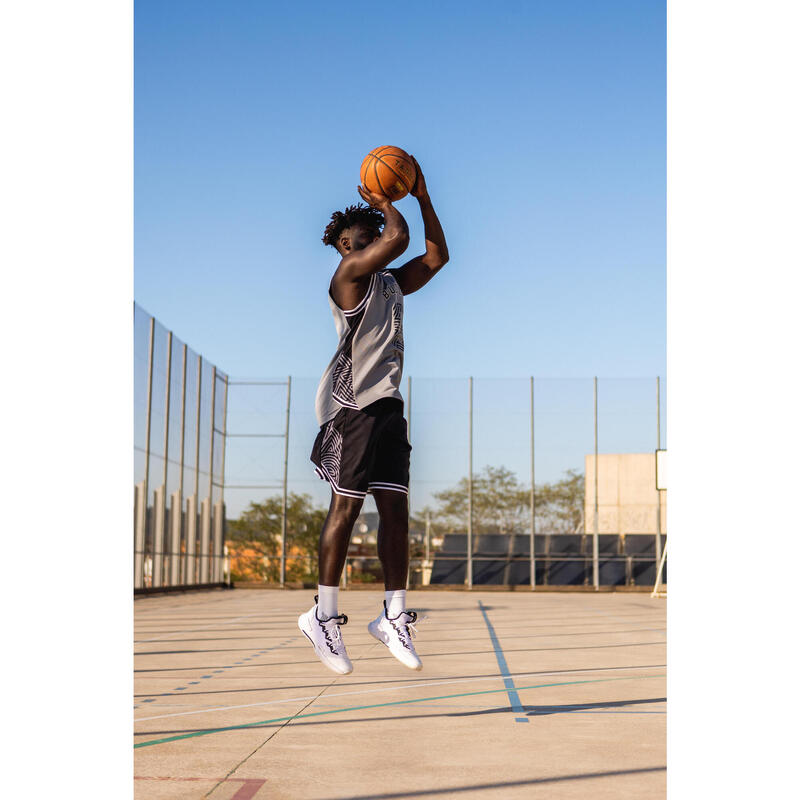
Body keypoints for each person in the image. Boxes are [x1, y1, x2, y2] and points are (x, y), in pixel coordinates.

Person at [298, 157, 449, 674]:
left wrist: (424, 196)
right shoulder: (348, 279)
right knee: (346, 509)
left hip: (388, 408)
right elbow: (401, 238)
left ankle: (393, 614)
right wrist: (388, 202)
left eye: (361, 239)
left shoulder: (389, 285)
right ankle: (322, 614)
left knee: (396, 513)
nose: (354, 248)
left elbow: (435, 257)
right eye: (348, 243)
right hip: (352, 409)